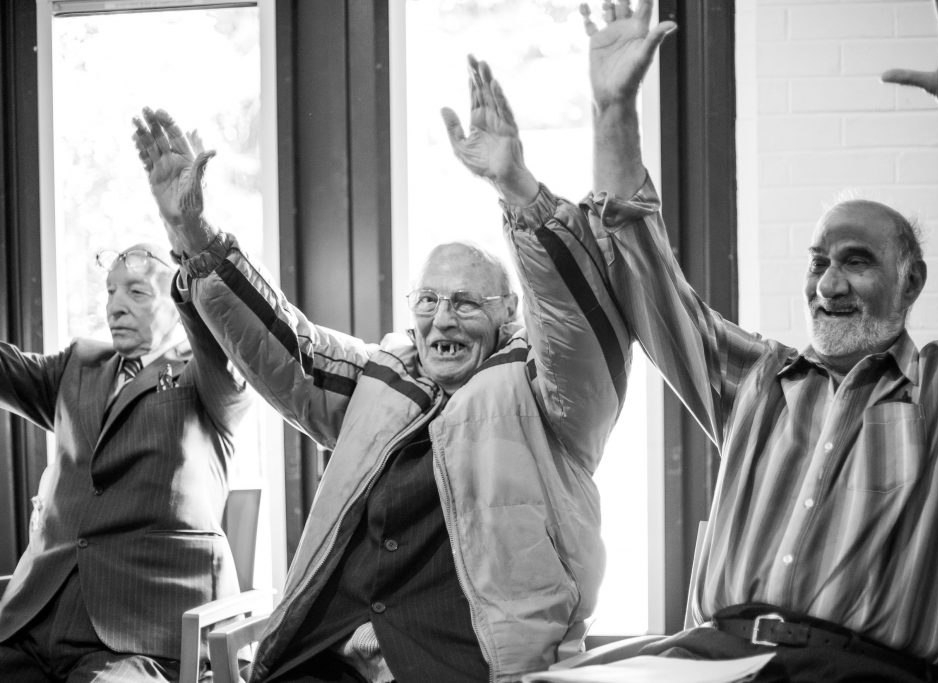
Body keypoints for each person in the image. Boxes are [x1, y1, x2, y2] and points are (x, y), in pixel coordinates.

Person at [547, 0, 938, 681]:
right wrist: (614, 110)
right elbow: (644, 269)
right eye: (817, 260)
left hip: (858, 668)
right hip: (716, 656)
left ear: (911, 279)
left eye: (855, 260)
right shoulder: (757, 379)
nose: (827, 283)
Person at [131, 54, 631, 683]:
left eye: (465, 303)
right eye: (429, 301)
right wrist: (190, 230)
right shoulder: (387, 375)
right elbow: (292, 353)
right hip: (334, 652)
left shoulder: (544, 391)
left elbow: (575, 327)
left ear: (508, 317)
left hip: (471, 662)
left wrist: (516, 186)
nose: (442, 320)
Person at [0, 242, 253, 681]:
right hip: (37, 618)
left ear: (177, 304)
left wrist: (193, 249)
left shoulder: (207, 374)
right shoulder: (78, 365)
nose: (115, 307)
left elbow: (229, 348)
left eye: (135, 293)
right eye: (110, 292)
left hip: (143, 633)